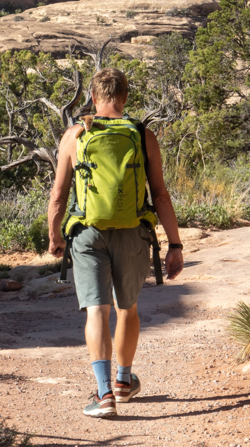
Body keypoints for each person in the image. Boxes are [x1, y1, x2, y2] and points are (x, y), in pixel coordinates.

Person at [48, 67, 184, 418]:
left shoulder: (75, 135)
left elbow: (58, 197)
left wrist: (54, 237)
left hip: (87, 232)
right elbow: (161, 196)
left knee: (97, 310)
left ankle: (104, 393)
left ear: (94, 97)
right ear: (124, 98)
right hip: (133, 232)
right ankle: (124, 382)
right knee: (128, 309)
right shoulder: (142, 135)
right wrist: (175, 245)